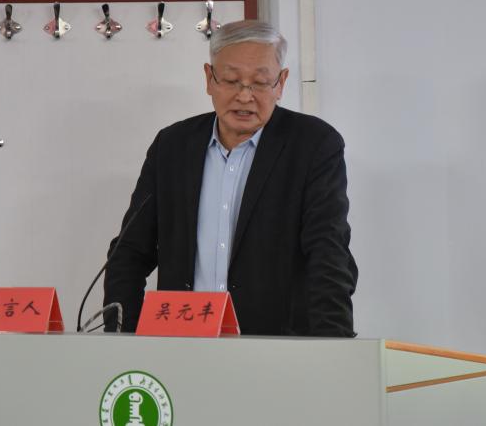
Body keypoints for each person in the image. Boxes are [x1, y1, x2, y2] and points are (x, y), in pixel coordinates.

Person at [102, 20, 357, 336]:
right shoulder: (173, 146)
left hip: (276, 345)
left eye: (260, 82)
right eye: (232, 80)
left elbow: (328, 253)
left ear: (281, 83)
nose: (245, 96)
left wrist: (334, 346)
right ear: (209, 79)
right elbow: (129, 252)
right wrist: (122, 337)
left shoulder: (314, 146)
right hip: (182, 340)